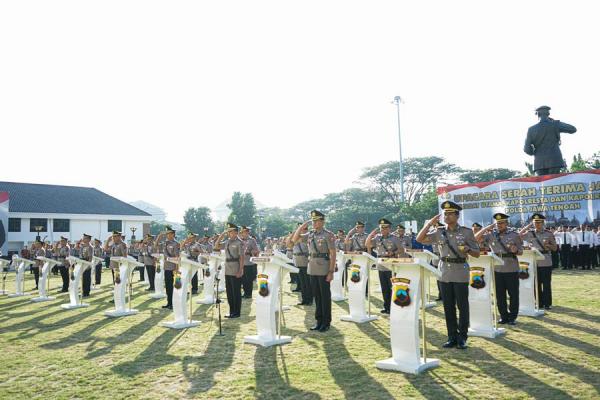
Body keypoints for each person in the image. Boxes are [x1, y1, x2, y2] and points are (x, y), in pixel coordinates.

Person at [417, 201, 480, 350]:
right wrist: (429, 224)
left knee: (462, 306)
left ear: (457, 216)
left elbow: (476, 253)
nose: (446, 216)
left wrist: (467, 250)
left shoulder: (466, 232)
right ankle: (451, 337)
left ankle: (462, 337)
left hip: (460, 271)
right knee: (448, 307)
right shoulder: (439, 231)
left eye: (450, 213)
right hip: (444, 272)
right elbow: (419, 239)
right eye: (445, 213)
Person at [292, 210, 336, 332]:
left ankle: (326, 322)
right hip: (312, 268)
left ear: (322, 221)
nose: (314, 223)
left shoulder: (328, 235)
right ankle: (319, 321)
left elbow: (333, 253)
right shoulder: (310, 234)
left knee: (325, 296)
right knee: (317, 296)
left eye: (316, 220)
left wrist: (331, 271)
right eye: (313, 221)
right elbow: (295, 239)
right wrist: (302, 226)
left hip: (323, 267)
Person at [475, 213, 523, 325]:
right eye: (497, 223)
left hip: (511, 267)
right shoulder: (491, 234)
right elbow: (475, 238)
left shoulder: (514, 235)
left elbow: (520, 252)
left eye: (501, 223)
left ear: (506, 223)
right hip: (496, 268)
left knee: (513, 294)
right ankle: (503, 316)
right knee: (499, 294)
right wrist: (487, 228)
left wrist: (515, 250)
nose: (499, 225)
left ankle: (512, 317)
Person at [366, 218, 406, 314]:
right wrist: (372, 233)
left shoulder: (394, 238)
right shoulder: (377, 238)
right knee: (384, 288)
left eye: (385, 228)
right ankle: (387, 307)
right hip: (381, 264)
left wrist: (393, 252)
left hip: (391, 264)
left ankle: (394, 307)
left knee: (392, 287)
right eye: (381, 228)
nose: (382, 230)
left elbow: (401, 249)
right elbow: (367, 244)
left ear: (389, 228)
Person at [519, 214, 557, 310]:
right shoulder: (530, 233)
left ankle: (547, 303)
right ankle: (539, 303)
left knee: (546, 283)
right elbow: (518, 236)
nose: (537, 224)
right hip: (534, 262)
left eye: (539, 222)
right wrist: (528, 226)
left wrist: (548, 245)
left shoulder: (548, 234)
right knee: (536, 283)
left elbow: (555, 248)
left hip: (546, 261)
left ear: (543, 223)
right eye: (535, 222)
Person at [214, 223, 245, 318]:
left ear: (236, 232)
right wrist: (221, 235)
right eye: (229, 232)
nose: (230, 233)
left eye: (231, 232)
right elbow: (216, 246)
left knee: (236, 292)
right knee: (229, 292)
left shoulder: (239, 243)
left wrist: (241, 270)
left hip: (235, 268)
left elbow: (242, 258)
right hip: (227, 269)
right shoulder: (227, 242)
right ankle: (231, 311)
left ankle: (237, 312)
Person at [288, 222, 313, 306]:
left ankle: (309, 299)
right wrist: (295, 231)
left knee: (307, 282)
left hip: (305, 261)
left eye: (304, 228)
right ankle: (304, 299)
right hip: (298, 261)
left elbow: (296, 240)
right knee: (302, 282)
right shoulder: (296, 236)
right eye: (301, 229)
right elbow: (289, 243)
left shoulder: (307, 236)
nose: (302, 230)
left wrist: (298, 232)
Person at [155, 227, 179, 310]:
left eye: (169, 233)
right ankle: (169, 303)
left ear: (173, 234)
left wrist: (176, 269)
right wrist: (160, 235)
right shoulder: (165, 243)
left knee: (172, 286)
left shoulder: (175, 244)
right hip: (166, 267)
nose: (167, 235)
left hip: (173, 268)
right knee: (168, 286)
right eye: (167, 233)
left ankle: (173, 303)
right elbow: (156, 245)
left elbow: (177, 257)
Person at [240, 226, 260, 299]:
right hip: (241, 263)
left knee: (248, 280)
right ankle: (245, 293)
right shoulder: (239, 240)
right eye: (241, 232)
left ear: (247, 232)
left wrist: (249, 252)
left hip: (249, 262)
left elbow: (256, 251)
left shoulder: (252, 240)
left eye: (244, 232)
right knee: (243, 280)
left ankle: (249, 294)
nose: (242, 234)